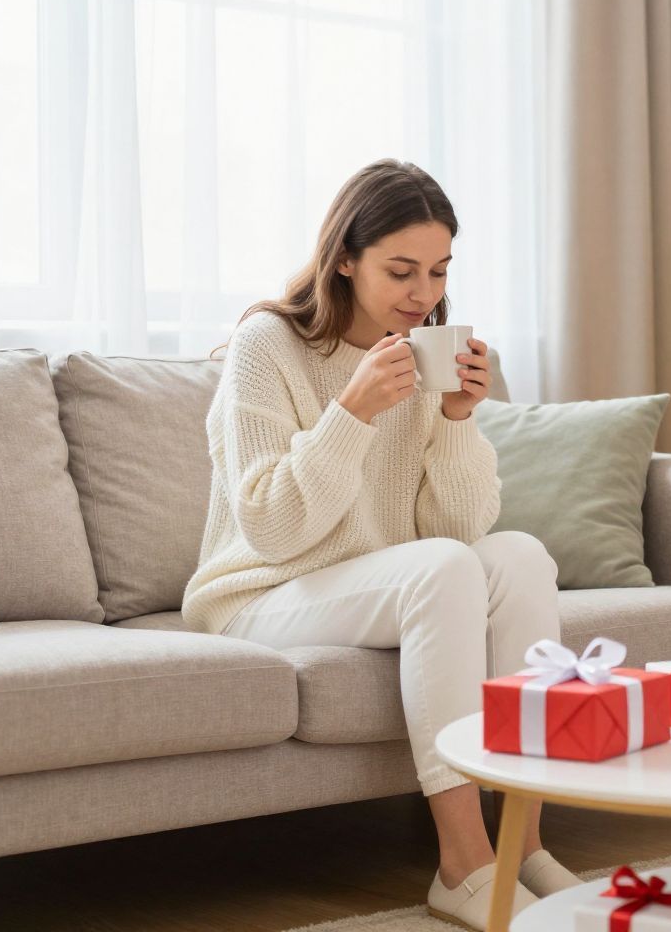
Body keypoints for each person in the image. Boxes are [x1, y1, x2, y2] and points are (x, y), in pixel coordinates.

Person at [184, 158, 573, 929]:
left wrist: (459, 418)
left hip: (373, 581)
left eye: (437, 271)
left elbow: (458, 531)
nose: (423, 293)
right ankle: (463, 864)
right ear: (345, 259)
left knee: (521, 555)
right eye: (401, 271)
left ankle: (524, 842)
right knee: (440, 572)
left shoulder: (426, 348)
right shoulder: (268, 344)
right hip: (261, 591)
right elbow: (273, 525)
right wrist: (352, 412)